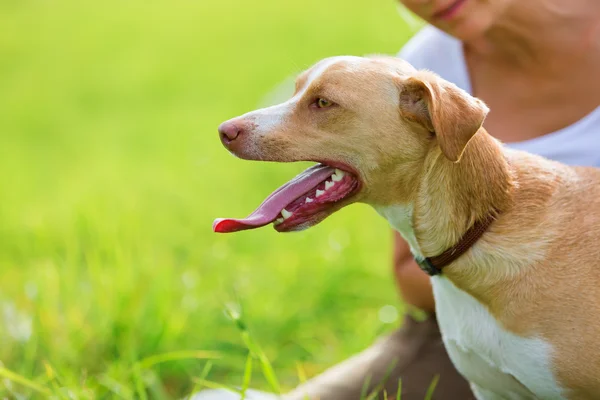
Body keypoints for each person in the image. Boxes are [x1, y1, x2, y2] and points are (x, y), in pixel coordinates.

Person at [196, 0, 600, 398]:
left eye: (322, 104)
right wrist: (481, 255)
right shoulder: (422, 61)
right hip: (456, 308)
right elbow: (410, 272)